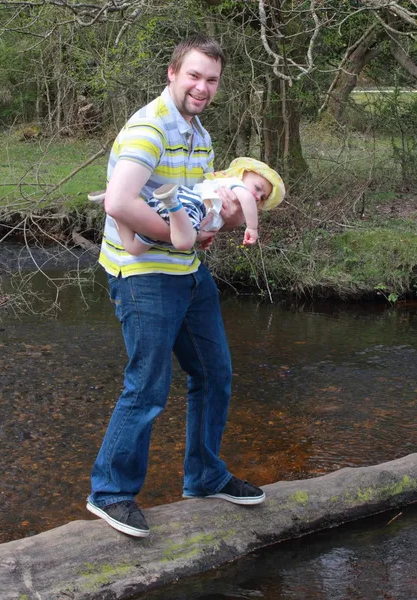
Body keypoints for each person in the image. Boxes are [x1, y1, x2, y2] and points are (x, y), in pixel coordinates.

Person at [87, 34, 274, 539]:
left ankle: (204, 476)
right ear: (172, 73)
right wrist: (176, 234)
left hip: (186, 269)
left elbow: (187, 202)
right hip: (143, 272)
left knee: (215, 373)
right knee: (147, 385)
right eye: (194, 75)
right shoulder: (149, 129)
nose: (202, 86)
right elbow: (119, 203)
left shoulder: (200, 135)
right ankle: (110, 492)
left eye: (211, 79)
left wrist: (203, 231)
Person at [88, 157, 285, 255]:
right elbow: (247, 200)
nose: (257, 196)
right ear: (243, 174)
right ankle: (171, 201)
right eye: (258, 188)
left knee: (133, 248)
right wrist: (252, 228)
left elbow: (212, 222)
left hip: (183, 214)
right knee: (184, 242)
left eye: (262, 197)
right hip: (190, 206)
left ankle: (108, 200)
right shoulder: (235, 185)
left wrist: (207, 235)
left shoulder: (232, 194)